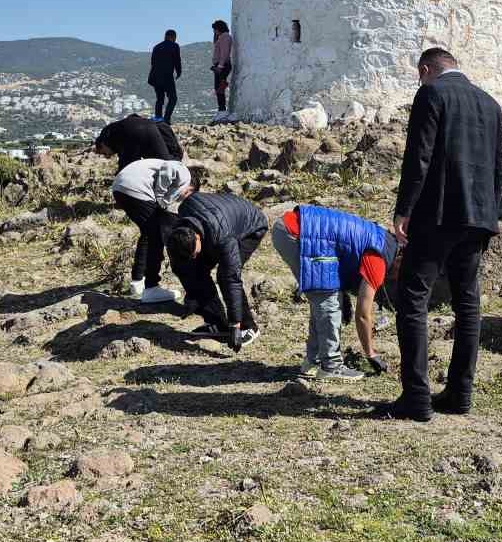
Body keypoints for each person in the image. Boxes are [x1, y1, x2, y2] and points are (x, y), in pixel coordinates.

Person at [374, 47, 502, 423]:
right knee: (468, 304)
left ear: (426, 70)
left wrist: (404, 210)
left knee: (413, 299)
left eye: (420, 76)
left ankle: (416, 396)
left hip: (437, 215)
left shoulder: (431, 94)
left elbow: (419, 157)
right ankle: (460, 393)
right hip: (478, 217)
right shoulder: (491, 104)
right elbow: (499, 169)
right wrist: (490, 215)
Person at [270, 205, 398, 382]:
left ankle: (312, 362)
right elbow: (363, 314)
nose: (397, 277)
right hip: (298, 233)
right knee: (328, 302)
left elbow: (346, 251)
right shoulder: (379, 257)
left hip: (292, 227)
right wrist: (371, 353)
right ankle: (331, 366)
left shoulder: (381, 237)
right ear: (401, 258)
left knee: (323, 299)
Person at [165, 191, 268, 350]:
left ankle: (249, 327)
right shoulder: (178, 227)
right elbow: (180, 265)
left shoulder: (223, 237)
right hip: (217, 216)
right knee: (191, 268)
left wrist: (235, 324)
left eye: (195, 252)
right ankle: (217, 323)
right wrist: (193, 294)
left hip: (250, 226)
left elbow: (232, 278)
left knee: (225, 276)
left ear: (198, 237)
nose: (195, 256)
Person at [110, 158, 193, 303]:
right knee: (156, 235)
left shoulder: (169, 179)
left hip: (122, 187)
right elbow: (170, 167)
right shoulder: (185, 174)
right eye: (187, 195)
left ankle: (137, 281)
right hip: (135, 187)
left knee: (148, 233)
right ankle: (151, 287)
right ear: (190, 188)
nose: (181, 199)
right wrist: (161, 198)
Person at [93, 113, 182, 173]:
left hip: (137, 133)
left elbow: (126, 161)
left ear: (102, 145)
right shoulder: (113, 132)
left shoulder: (107, 136)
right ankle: (180, 166)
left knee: (165, 164)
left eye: (104, 153)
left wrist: (119, 175)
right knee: (163, 161)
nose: (107, 156)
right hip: (148, 128)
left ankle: (183, 169)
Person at [148, 29, 182, 122]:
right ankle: (166, 119)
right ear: (173, 37)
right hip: (167, 77)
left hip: (155, 77)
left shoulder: (156, 47)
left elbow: (152, 62)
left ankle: (158, 118)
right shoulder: (174, 46)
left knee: (160, 98)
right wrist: (179, 72)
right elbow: (177, 61)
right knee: (173, 98)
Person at [209, 20, 235, 123]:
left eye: (215, 29)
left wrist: (220, 66)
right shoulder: (222, 37)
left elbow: (224, 52)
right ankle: (221, 110)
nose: (214, 32)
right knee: (219, 87)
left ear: (218, 28)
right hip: (221, 65)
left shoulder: (225, 37)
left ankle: (222, 111)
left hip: (222, 66)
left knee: (219, 88)